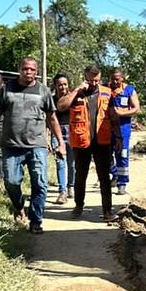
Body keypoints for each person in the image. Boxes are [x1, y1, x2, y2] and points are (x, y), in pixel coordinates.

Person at [0, 57, 64, 235]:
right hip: (11, 145)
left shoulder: (43, 91)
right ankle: (19, 206)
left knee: (40, 183)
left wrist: (61, 143)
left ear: (36, 71)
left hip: (37, 145)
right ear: (19, 69)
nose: (29, 72)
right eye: (25, 69)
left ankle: (36, 221)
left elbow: (52, 118)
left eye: (32, 70)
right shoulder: (7, 89)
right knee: (11, 181)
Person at [57, 64, 119, 223]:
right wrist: (77, 89)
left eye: (96, 80)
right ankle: (78, 206)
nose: (93, 84)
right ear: (85, 78)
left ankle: (107, 211)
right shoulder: (76, 93)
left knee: (104, 177)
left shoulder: (107, 93)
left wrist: (118, 137)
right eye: (90, 80)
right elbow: (61, 106)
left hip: (102, 141)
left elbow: (113, 116)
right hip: (81, 142)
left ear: (100, 79)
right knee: (80, 176)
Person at [108, 67, 140, 196]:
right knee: (105, 155)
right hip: (106, 128)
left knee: (122, 155)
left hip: (123, 129)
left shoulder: (129, 90)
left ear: (122, 78)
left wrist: (122, 113)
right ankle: (114, 174)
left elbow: (136, 108)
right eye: (112, 79)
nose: (114, 82)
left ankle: (122, 184)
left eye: (117, 79)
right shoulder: (105, 88)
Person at [51, 74, 76, 204]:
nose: (63, 87)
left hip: (72, 131)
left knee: (72, 163)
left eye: (65, 84)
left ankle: (71, 186)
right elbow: (47, 118)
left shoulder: (73, 98)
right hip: (57, 132)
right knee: (60, 162)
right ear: (55, 85)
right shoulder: (51, 99)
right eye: (60, 84)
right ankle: (62, 191)